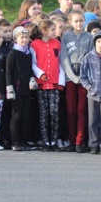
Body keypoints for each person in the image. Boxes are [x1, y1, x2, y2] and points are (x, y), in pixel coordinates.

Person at [60, 10, 92, 153]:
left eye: (81, 21)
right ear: (71, 22)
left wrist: (83, 77)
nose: (79, 24)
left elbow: (90, 57)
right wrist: (72, 77)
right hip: (70, 77)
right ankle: (72, 141)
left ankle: (80, 141)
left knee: (82, 110)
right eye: (76, 21)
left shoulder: (89, 37)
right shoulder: (66, 36)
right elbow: (64, 57)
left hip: (84, 78)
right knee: (71, 111)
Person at [31, 19, 66, 151]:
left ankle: (54, 140)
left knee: (54, 112)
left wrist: (61, 82)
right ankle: (45, 141)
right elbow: (33, 63)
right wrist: (40, 74)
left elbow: (60, 63)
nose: (55, 32)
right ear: (44, 31)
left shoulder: (57, 43)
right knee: (43, 113)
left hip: (54, 83)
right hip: (41, 84)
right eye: (52, 29)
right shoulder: (34, 44)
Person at [6, 26, 37, 151]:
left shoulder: (28, 53)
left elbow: (30, 69)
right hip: (16, 89)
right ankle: (15, 142)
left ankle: (23, 141)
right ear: (15, 39)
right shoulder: (12, 54)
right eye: (21, 37)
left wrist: (32, 79)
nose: (24, 40)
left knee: (25, 116)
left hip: (26, 89)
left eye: (26, 37)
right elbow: (8, 73)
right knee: (16, 115)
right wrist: (10, 88)